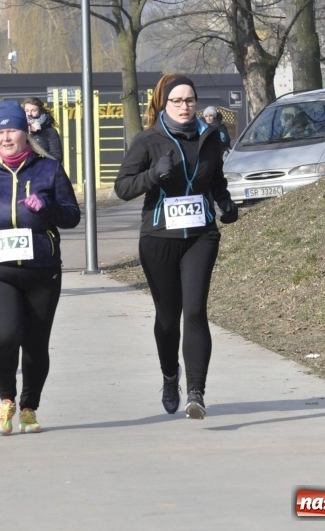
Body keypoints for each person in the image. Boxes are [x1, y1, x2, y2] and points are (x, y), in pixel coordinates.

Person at [0, 100, 81, 435]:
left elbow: (71, 215)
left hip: (42, 270)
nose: (6, 137)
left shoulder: (47, 168)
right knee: (4, 336)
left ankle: (29, 407)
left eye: (13, 130)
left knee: (36, 346)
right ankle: (6, 399)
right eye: (1, 131)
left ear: (26, 132)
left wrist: (47, 207)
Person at [114, 74, 238, 420]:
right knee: (168, 318)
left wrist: (225, 203)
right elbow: (122, 187)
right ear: (163, 104)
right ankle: (171, 377)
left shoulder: (210, 136)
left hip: (201, 235)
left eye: (189, 100)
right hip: (159, 238)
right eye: (177, 101)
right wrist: (154, 175)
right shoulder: (148, 139)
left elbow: (216, 181)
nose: (184, 107)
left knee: (195, 310)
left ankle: (196, 392)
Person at [23, 97, 63, 162]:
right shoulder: (20, 130)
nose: (29, 114)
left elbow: (57, 158)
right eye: (26, 111)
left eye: (33, 110)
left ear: (40, 112)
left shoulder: (50, 132)